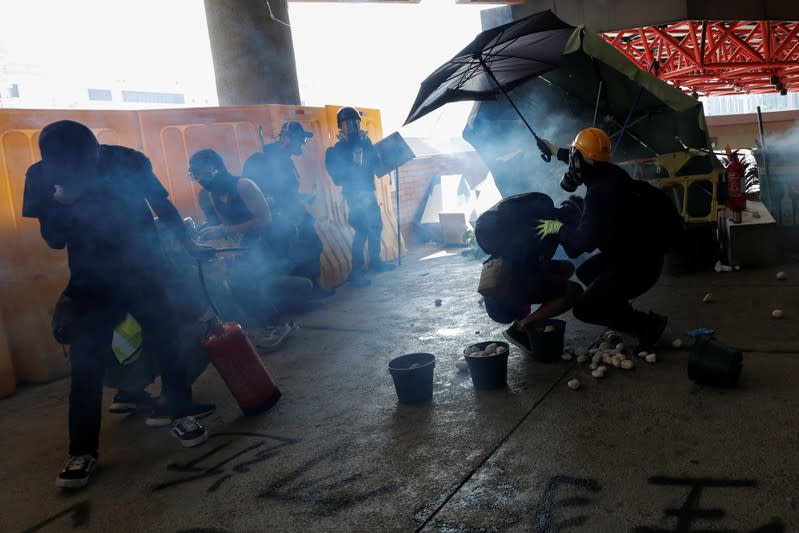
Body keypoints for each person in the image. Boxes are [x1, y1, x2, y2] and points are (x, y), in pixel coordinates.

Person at [22, 120, 213, 490]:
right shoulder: (42, 177)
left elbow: (163, 206)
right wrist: (64, 204)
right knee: (85, 364)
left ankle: (179, 412)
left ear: (95, 151)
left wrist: (187, 248)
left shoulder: (127, 161)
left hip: (144, 270)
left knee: (166, 339)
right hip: (91, 282)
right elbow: (54, 240)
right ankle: (82, 451)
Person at [536, 128, 683, 350]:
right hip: (638, 255)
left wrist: (558, 227)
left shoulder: (599, 194)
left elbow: (581, 243)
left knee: (584, 308)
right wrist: (555, 150)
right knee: (586, 272)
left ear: (580, 161)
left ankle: (647, 325)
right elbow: (581, 158)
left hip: (638, 268)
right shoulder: (609, 172)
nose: (573, 163)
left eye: (575, 157)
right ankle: (623, 314)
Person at [189, 149, 311, 345]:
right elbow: (229, 228)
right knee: (238, 284)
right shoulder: (212, 195)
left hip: (270, 240)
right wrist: (218, 236)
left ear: (216, 169)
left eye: (202, 174)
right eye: (196, 176)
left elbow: (265, 220)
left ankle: (280, 324)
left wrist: (223, 230)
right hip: (248, 244)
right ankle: (271, 323)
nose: (200, 180)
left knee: (247, 281)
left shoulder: (243, 186)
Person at [474, 192, 584, 353]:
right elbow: (576, 249)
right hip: (506, 298)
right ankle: (521, 328)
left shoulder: (535, 215)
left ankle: (522, 314)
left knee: (566, 268)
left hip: (498, 285)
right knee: (573, 291)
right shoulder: (553, 223)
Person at [242, 121, 333, 298]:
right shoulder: (266, 160)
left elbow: (286, 194)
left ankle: (314, 288)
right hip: (281, 221)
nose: (302, 144)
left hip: (294, 216)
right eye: (300, 140)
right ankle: (306, 295)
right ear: (286, 138)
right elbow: (266, 195)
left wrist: (304, 197)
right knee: (297, 256)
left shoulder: (284, 160)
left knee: (312, 248)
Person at [325, 106, 396, 287]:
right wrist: (353, 159)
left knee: (376, 226)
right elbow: (337, 179)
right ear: (341, 127)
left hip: (368, 193)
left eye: (355, 122)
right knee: (362, 231)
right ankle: (355, 272)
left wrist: (388, 156)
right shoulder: (336, 151)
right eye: (348, 124)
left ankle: (375, 261)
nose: (353, 126)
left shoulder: (366, 143)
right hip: (354, 196)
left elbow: (377, 165)